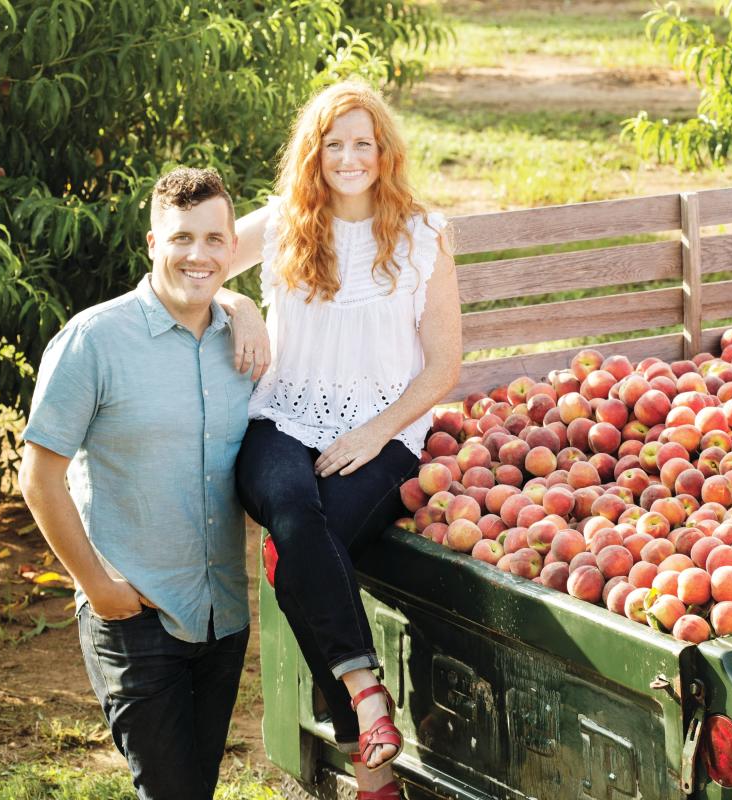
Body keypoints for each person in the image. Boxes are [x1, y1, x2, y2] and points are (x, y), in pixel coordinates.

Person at [227, 81, 462, 799]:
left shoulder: (422, 233)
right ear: (314, 153)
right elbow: (190, 267)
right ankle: (367, 698)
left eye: (363, 142)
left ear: (384, 151)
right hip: (284, 420)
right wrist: (237, 302)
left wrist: (375, 430)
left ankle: (373, 774)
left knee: (293, 560)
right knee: (294, 515)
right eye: (334, 144)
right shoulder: (282, 223)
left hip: (387, 433)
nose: (350, 156)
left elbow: (444, 364)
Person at [19, 167, 268, 800]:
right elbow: (39, 478)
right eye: (181, 237)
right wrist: (97, 587)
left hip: (223, 616)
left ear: (232, 249)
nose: (198, 254)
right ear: (153, 243)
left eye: (214, 239)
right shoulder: (94, 341)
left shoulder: (239, 343)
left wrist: (245, 306)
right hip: (133, 613)